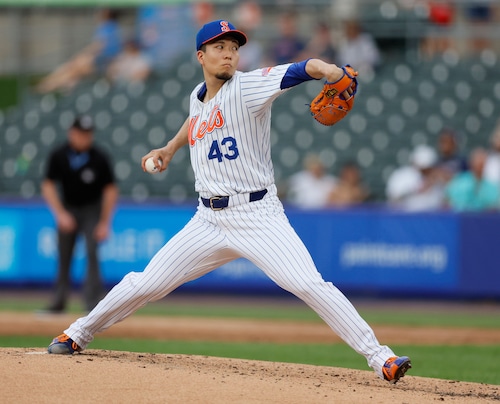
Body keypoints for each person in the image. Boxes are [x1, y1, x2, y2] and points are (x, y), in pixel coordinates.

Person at [47, 19, 411, 384]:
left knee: (308, 284)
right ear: (201, 56)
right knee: (146, 283)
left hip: (258, 215)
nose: (229, 54)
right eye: (221, 47)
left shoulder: (250, 86)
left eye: (234, 48)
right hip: (207, 219)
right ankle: (77, 333)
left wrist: (333, 72)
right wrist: (170, 148)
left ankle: (381, 358)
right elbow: (196, 118)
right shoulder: (197, 94)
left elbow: (308, 67)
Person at [41, 115, 119, 313]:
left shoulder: (99, 156)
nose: (84, 137)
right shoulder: (59, 154)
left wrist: (105, 222)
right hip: (68, 208)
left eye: (88, 134)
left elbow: (110, 190)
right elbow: (48, 184)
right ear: (72, 133)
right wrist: (60, 213)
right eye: (81, 133)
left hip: (92, 209)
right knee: (64, 255)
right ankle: (58, 302)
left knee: (93, 253)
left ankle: (92, 304)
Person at [36, 9, 123, 94]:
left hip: (103, 62)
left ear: (107, 14)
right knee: (69, 67)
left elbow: (98, 46)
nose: (98, 13)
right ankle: (47, 84)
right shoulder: (112, 27)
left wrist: (84, 55)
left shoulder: (108, 27)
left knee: (73, 69)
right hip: (101, 60)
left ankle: (45, 88)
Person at [386, 144, 445, 211]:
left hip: (431, 217)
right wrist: (416, 190)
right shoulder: (402, 175)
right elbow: (394, 199)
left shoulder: (438, 177)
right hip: (406, 217)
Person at [445, 147, 500, 212]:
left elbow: (493, 207)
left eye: (482, 161)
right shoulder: (458, 181)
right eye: (477, 160)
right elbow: (448, 201)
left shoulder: (492, 187)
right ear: (471, 162)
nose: (480, 164)